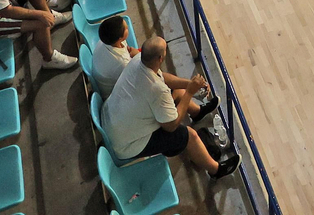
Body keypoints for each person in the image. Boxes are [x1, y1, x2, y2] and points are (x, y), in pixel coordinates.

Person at [102, 36, 238, 178]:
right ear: (161, 58)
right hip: (125, 145)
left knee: (175, 90)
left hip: (111, 120)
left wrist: (189, 84)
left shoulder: (137, 61)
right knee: (188, 135)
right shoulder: (157, 90)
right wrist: (189, 92)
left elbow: (164, 78)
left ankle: (197, 112)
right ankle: (216, 170)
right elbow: (171, 125)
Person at [90, 15, 140, 97]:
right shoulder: (122, 62)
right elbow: (134, 77)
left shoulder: (105, 40)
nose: (128, 27)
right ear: (120, 38)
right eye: (126, 28)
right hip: (110, 94)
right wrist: (137, 55)